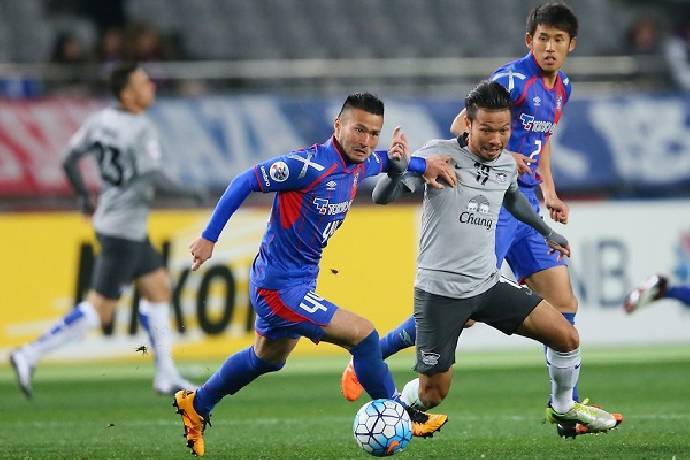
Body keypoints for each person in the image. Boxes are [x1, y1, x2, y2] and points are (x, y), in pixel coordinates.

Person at [340, 4, 617, 432]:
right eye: (543, 38)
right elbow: (459, 128)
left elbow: (542, 148)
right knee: (463, 307)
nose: (549, 47)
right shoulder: (511, 80)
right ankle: (372, 359)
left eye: (558, 40)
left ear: (570, 45)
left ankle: (566, 408)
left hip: (520, 199)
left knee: (564, 307)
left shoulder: (561, 87)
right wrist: (493, 153)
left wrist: (548, 193)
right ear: (530, 40)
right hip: (490, 200)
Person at [173, 93, 456, 456]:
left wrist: (422, 164)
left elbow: (388, 161)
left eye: (374, 133)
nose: (366, 141)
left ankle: (197, 404)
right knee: (365, 336)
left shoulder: (358, 163)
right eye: (358, 130)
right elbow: (244, 180)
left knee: (267, 359)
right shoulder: (306, 166)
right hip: (279, 288)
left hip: (296, 281)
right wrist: (209, 237)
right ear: (337, 126)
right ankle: (400, 413)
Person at [9, 63, 202, 398]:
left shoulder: (99, 121)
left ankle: (166, 374)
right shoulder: (141, 128)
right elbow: (152, 175)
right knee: (100, 309)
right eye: (143, 83)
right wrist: (192, 193)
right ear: (127, 93)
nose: (151, 87)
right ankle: (29, 353)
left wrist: (85, 197)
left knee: (158, 288)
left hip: (120, 225)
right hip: (122, 231)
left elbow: (69, 160)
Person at [624, 274, 690, 313]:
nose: (629, 310)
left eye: (628, 307)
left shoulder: (636, 296)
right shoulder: (638, 304)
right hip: (669, 292)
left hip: (669, 289)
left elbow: (660, 278)